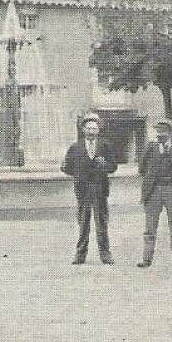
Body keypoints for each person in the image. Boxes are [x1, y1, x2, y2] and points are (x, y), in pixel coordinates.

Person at [61, 112, 117, 265]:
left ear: (98, 130)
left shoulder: (105, 146)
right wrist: (80, 174)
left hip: (100, 189)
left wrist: (104, 164)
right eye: (89, 128)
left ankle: (105, 254)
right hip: (83, 190)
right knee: (83, 223)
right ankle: (80, 255)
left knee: (102, 223)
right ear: (83, 130)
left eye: (94, 128)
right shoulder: (75, 147)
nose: (91, 131)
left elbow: (113, 166)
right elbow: (66, 167)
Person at [138, 118, 172, 267]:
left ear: (171, 133)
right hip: (153, 191)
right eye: (158, 131)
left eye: (164, 131)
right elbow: (141, 168)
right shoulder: (150, 147)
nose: (160, 134)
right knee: (150, 227)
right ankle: (146, 259)